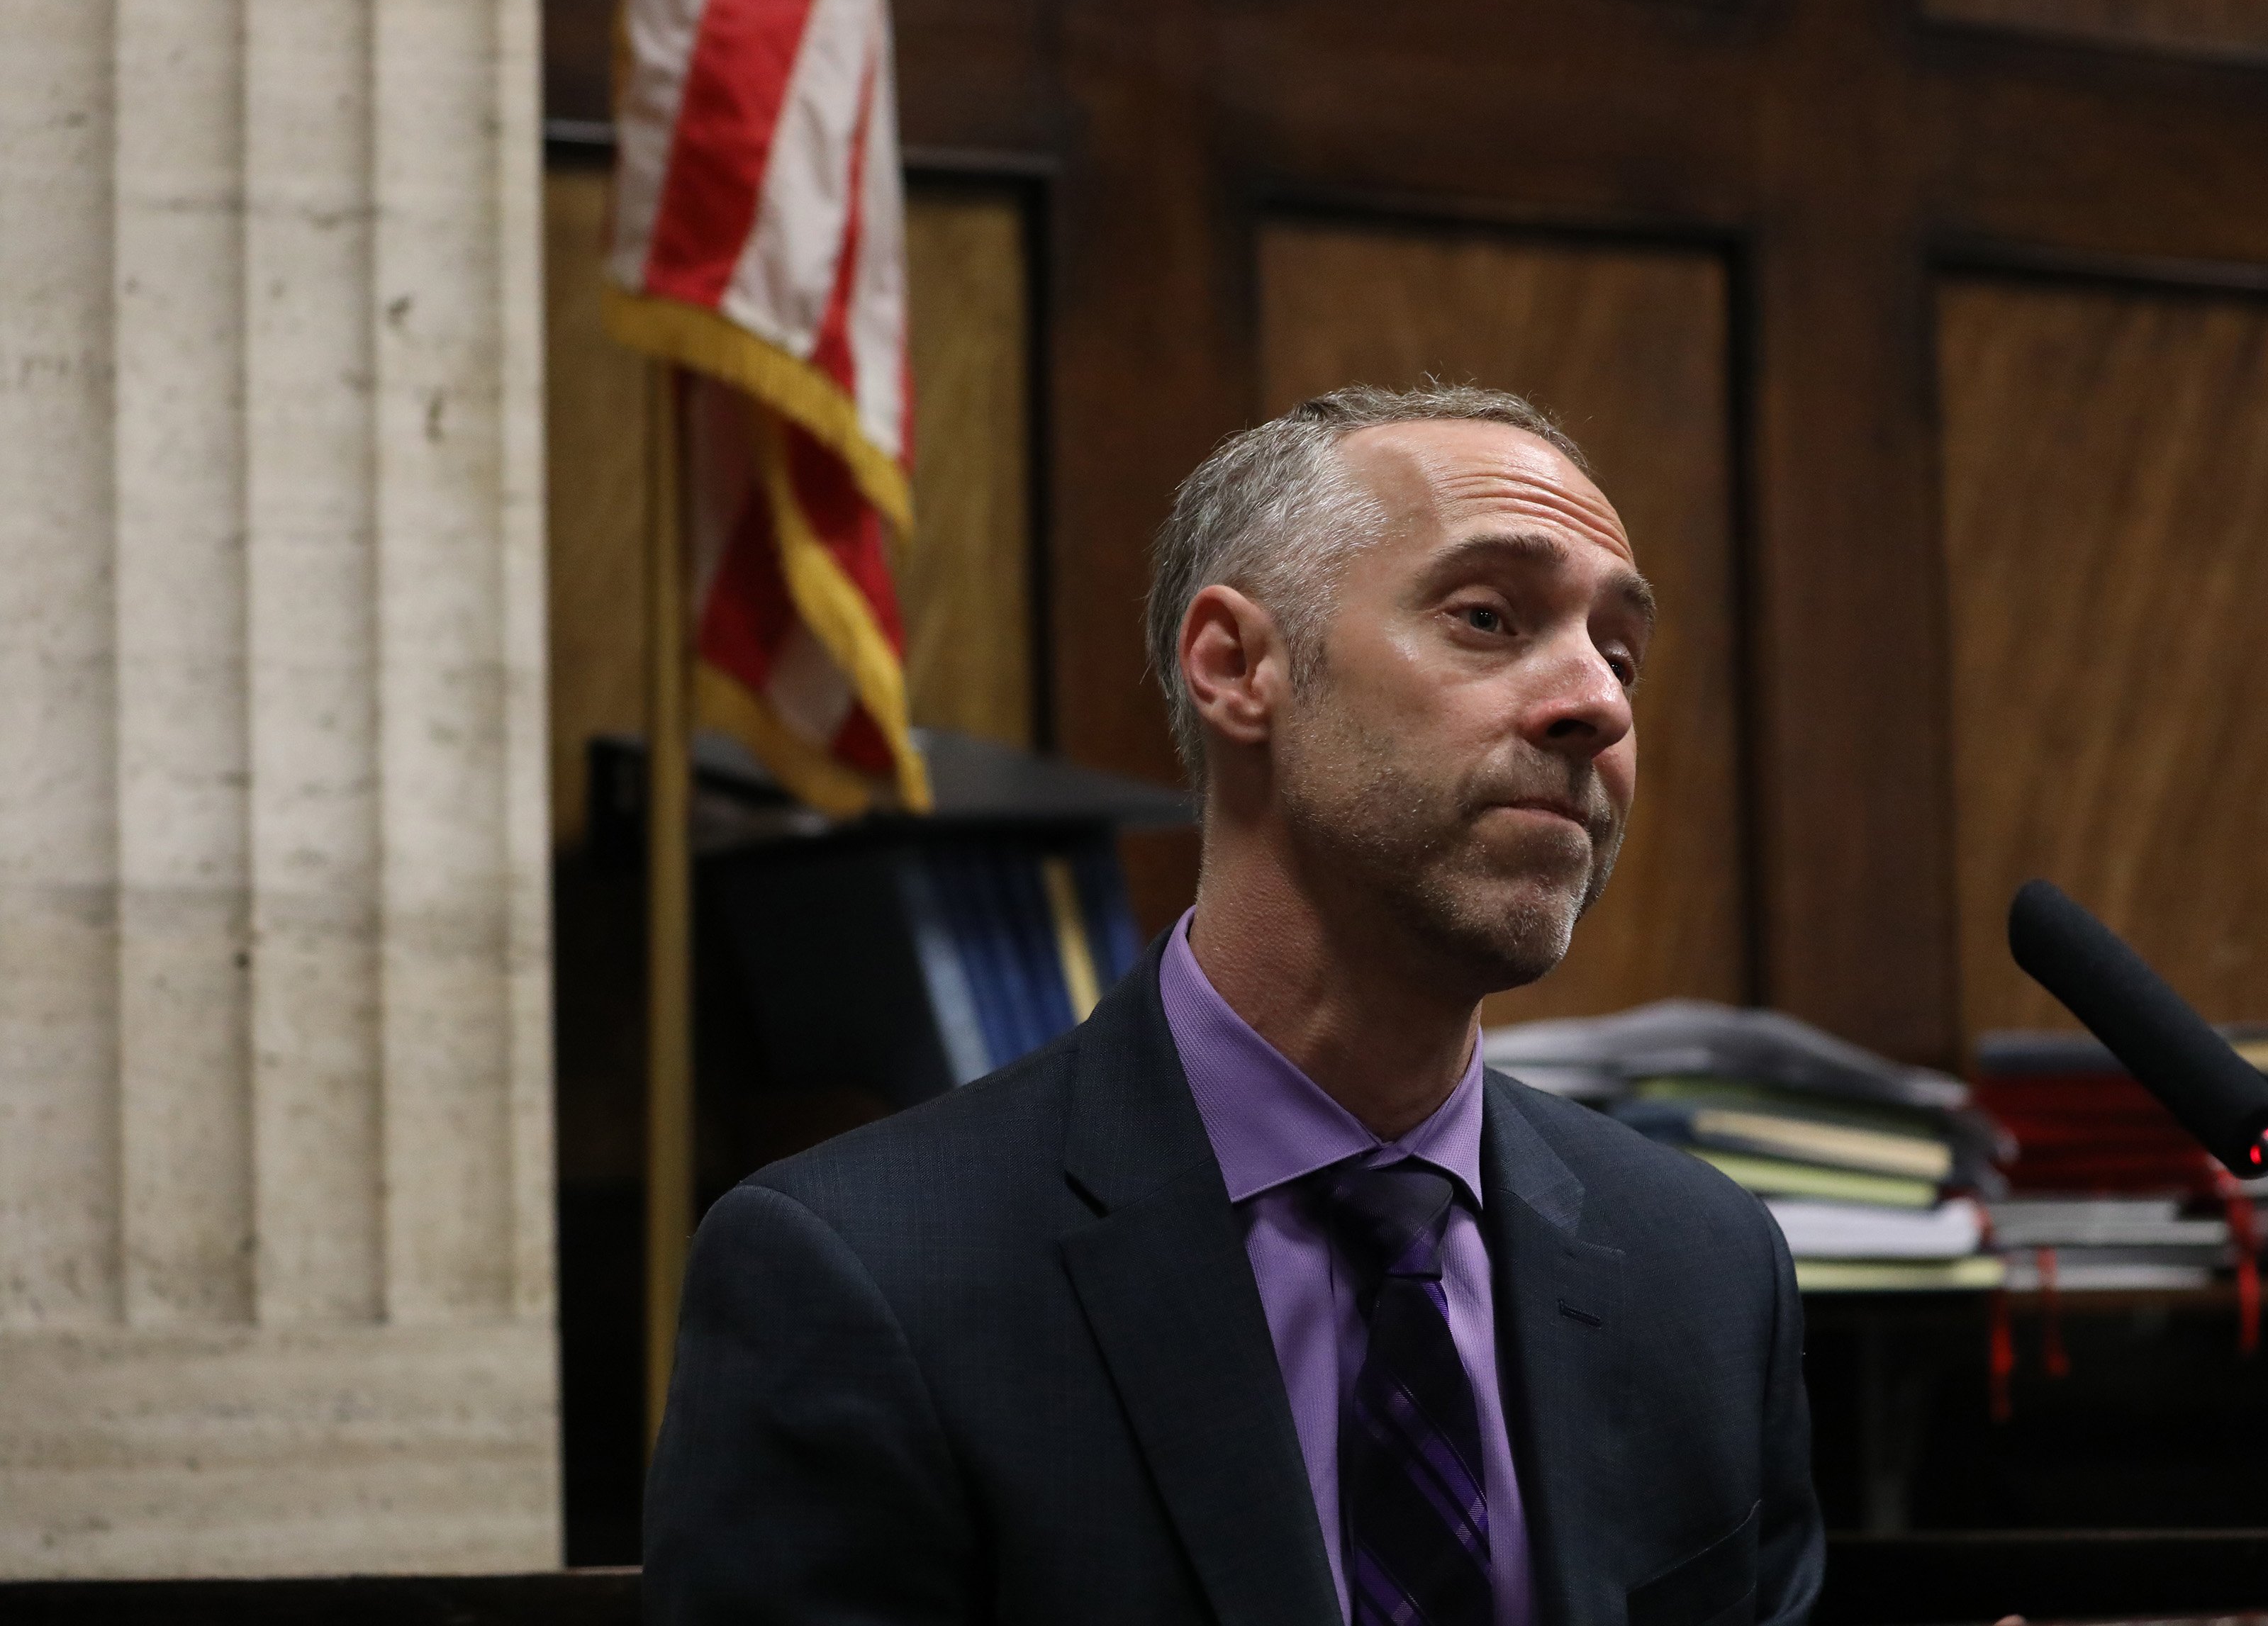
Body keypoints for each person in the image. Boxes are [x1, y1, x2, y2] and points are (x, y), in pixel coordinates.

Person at [644, 385, 1824, 1625]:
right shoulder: (864, 1275)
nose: (1601, 704)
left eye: (1620, 653)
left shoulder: (1705, 1269)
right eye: (1488, 617)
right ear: (1237, 666)